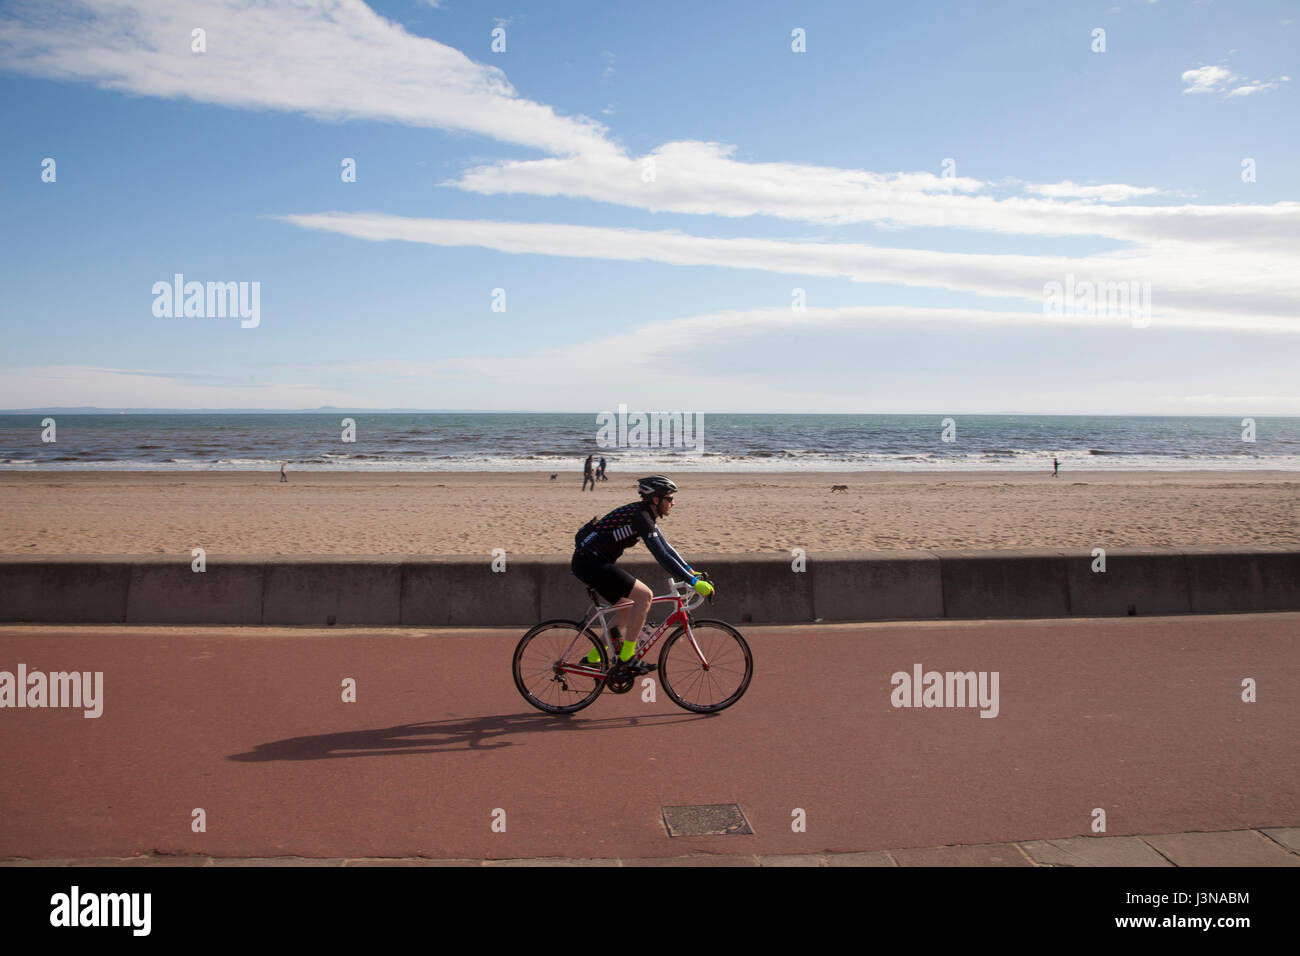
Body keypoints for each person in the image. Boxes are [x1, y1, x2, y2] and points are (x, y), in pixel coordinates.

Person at [571, 475, 714, 675]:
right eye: (669, 498)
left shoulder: (644, 514)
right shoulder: (641, 518)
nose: (673, 502)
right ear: (656, 499)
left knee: (626, 608)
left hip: (589, 562)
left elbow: (668, 549)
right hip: (591, 563)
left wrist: (690, 572)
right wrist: (691, 582)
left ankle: (593, 659)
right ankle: (627, 658)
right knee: (645, 596)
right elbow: (661, 556)